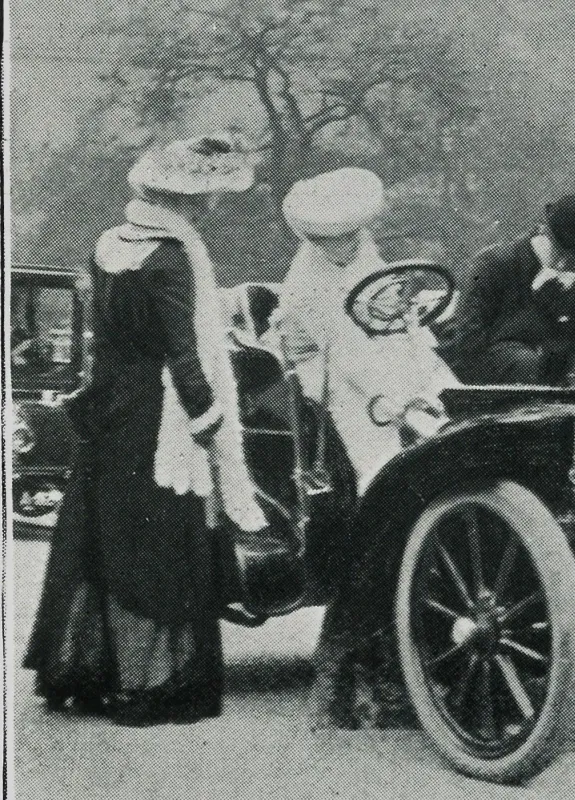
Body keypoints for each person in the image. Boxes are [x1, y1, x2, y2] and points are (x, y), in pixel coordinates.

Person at [23, 134, 267, 726]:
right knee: (159, 544)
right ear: (192, 201)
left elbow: (106, 344)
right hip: (158, 416)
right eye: (207, 197)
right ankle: (152, 683)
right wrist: (208, 418)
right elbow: (183, 352)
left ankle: (87, 671)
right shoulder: (173, 256)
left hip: (112, 407)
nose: (211, 207)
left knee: (103, 540)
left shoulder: (109, 245)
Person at [275, 168, 459, 493]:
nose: (351, 243)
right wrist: (399, 407)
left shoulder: (361, 245)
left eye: (353, 234)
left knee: (430, 370)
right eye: (338, 239)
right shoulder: (305, 285)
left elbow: (377, 299)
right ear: (315, 241)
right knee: (373, 427)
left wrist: (404, 306)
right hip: (322, 362)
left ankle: (455, 428)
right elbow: (347, 355)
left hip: (371, 338)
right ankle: (382, 493)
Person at [439, 195, 575, 385]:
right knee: (536, 369)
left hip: (545, 365)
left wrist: (569, 308)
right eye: (559, 253)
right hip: (489, 360)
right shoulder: (495, 262)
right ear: (544, 233)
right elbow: (468, 340)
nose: (564, 264)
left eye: (574, 259)